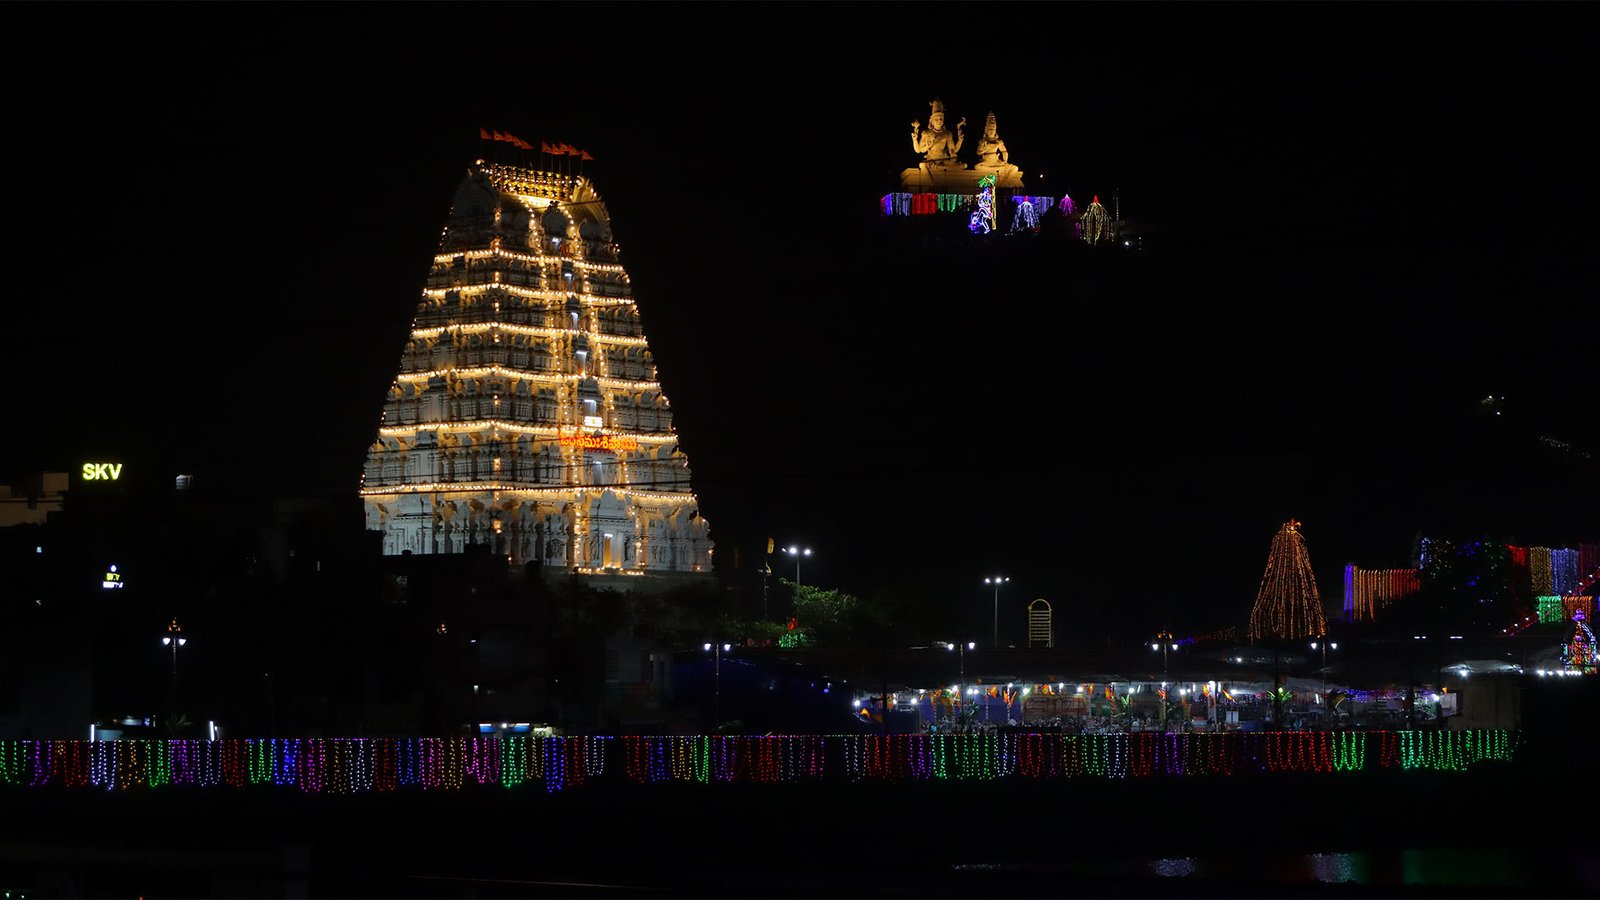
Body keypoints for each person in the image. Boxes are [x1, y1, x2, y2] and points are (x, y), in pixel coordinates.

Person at [910, 99, 965, 167]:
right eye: (936, 119)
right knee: (922, 165)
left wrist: (960, 140)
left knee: (963, 165)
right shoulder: (927, 133)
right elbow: (920, 150)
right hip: (931, 160)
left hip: (943, 159)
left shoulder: (947, 134)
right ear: (932, 121)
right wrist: (915, 140)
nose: (939, 121)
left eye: (941, 119)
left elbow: (953, 150)